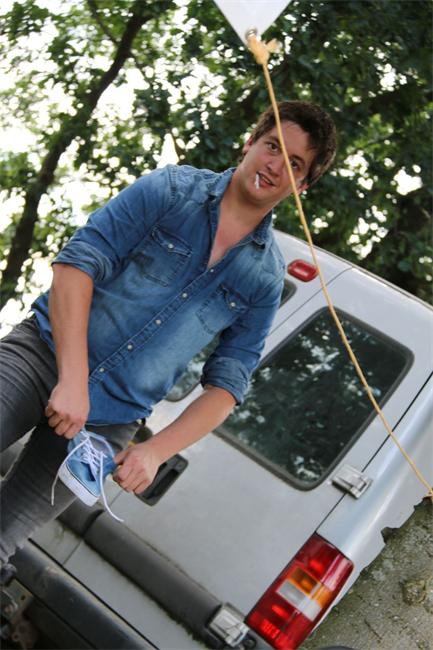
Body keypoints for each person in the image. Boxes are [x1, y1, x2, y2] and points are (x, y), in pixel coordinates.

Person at [0, 100, 337, 566]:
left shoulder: (264, 280)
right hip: (40, 356)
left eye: (295, 164)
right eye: (272, 146)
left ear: (301, 187)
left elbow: (227, 386)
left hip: (108, 422)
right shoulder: (172, 190)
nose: (276, 165)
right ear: (250, 143)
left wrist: (156, 451)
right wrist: (72, 380)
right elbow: (77, 264)